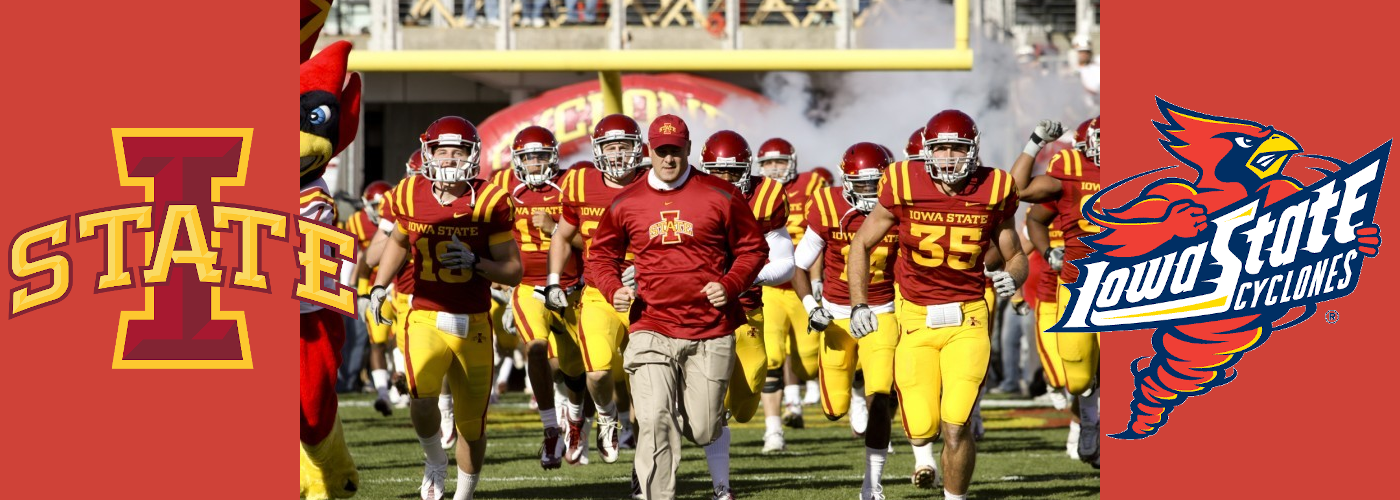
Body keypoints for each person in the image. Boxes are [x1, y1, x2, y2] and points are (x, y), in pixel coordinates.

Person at [584, 114, 768, 500]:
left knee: (702, 428)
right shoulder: (627, 201)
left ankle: (690, 414)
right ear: (649, 151)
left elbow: (754, 249)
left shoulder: (721, 194)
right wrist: (612, 286)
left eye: (676, 151)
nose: (669, 159)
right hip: (651, 325)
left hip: (710, 328)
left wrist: (730, 284)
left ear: (687, 149)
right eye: (661, 151)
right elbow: (600, 256)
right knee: (652, 419)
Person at [846, 110, 1029, 500]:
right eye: (941, 147)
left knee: (957, 424)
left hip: (968, 317)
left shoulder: (996, 187)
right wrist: (859, 303)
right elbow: (861, 243)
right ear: (926, 151)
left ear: (973, 150)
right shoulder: (900, 181)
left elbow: (1015, 253)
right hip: (914, 317)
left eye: (957, 147)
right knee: (922, 426)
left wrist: (1013, 277)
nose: (948, 156)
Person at [366, 116, 522, 500]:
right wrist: (379, 286)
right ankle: (435, 459)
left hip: (474, 321)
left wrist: (477, 264)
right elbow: (399, 242)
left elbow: (514, 270)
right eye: (442, 151)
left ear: (472, 155)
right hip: (424, 314)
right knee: (420, 399)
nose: (450, 159)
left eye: (459, 151)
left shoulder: (490, 200)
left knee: (472, 426)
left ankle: (464, 495)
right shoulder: (407, 193)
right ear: (428, 153)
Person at [793, 142, 899, 500]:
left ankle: (873, 485)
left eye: (876, 184)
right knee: (833, 409)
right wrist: (811, 305)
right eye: (863, 184)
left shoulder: (903, 205)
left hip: (882, 309)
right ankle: (854, 388)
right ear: (847, 180)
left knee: (881, 395)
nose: (871, 192)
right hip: (836, 315)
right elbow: (798, 264)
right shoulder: (826, 204)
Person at [695, 130, 795, 499]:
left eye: (731, 171)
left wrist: (741, 279)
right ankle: (721, 486)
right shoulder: (689, 193)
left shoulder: (766, 197)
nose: (723, 180)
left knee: (749, 391)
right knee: (712, 402)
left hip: (748, 311)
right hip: (701, 314)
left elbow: (785, 264)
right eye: (715, 172)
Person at [545, 114, 649, 467]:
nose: (618, 154)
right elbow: (562, 235)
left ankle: (648, 453)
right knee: (598, 372)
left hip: (650, 295)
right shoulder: (578, 183)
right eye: (611, 146)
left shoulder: (655, 183)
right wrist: (554, 280)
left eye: (624, 146)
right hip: (599, 292)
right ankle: (606, 417)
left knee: (649, 380)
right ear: (598, 150)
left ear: (638, 149)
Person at [493, 125, 590, 469]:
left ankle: (576, 421)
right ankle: (551, 430)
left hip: (571, 289)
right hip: (528, 286)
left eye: (541, 155)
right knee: (535, 349)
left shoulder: (572, 185)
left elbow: (592, 243)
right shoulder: (502, 186)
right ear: (518, 160)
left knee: (576, 371)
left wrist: (556, 229)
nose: (535, 163)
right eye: (528, 157)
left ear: (554, 156)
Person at [1010, 115, 1102, 468]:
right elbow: (1017, 191)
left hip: (1129, 285)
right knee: (1077, 376)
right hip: (1076, 284)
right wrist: (1035, 143)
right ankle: (1090, 418)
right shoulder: (1070, 169)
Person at [753, 137, 829, 445]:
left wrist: (818, 277)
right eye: (768, 162)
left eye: (780, 161)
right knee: (771, 356)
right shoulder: (755, 191)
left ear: (792, 161)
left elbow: (820, 234)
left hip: (802, 287)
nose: (774, 168)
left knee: (809, 363)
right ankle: (773, 429)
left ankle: (799, 393)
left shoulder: (813, 186)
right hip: (770, 286)